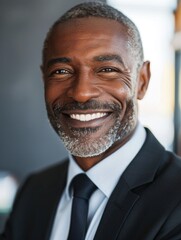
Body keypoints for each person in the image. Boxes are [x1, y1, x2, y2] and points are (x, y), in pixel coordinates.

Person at [1, 1, 181, 240]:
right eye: (62, 71)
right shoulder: (34, 191)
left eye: (107, 69)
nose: (81, 93)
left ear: (142, 81)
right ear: (44, 79)